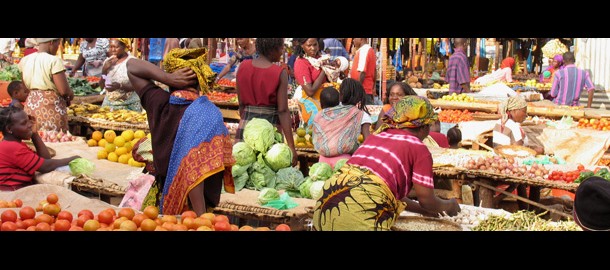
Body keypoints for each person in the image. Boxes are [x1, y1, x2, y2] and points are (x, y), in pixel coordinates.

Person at [312, 96, 461, 231]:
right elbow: (427, 199)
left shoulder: (375, 138)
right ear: (423, 127)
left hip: (325, 207)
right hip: (360, 213)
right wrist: (449, 205)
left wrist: (426, 212)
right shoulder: (418, 148)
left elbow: (383, 191)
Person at [126, 47, 235, 216]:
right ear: (200, 80)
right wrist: (200, 218)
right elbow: (194, 171)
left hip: (161, 200)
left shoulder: (158, 101)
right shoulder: (209, 113)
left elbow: (132, 66)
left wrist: (167, 78)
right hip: (193, 211)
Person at [234, 38, 297, 166]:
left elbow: (241, 105)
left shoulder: (243, 67)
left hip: (246, 124)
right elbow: (283, 111)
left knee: (243, 170)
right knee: (267, 172)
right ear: (273, 49)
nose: (282, 50)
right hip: (270, 127)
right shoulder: (279, 73)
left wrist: (249, 121)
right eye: (281, 47)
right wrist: (291, 146)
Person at [0, 107, 80, 191]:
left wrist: (34, 134)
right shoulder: (12, 147)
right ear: (9, 129)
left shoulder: (15, 144)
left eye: (28, 121)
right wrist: (72, 159)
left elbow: (45, 159)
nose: (30, 125)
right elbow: (45, 166)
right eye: (24, 123)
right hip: (10, 192)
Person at [19, 38, 75, 132]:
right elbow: (64, 91)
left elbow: (25, 87)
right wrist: (70, 95)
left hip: (31, 106)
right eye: (58, 44)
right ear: (51, 42)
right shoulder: (54, 61)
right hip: (51, 107)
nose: (58, 47)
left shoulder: (25, 60)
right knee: (53, 140)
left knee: (34, 139)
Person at [312, 79, 371, 167]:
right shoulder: (361, 114)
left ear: (341, 95)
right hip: (344, 161)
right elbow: (367, 141)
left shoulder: (331, 111)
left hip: (322, 160)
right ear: (360, 96)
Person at [293, 38, 328, 130]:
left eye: (315, 45)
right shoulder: (301, 62)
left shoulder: (318, 59)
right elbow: (310, 91)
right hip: (312, 109)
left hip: (325, 106)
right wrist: (324, 70)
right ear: (302, 46)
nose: (313, 48)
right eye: (309, 45)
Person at [99, 38, 142, 111]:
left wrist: (120, 86)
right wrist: (104, 70)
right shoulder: (107, 61)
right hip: (109, 105)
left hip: (129, 105)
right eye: (110, 47)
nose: (113, 50)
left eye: (116, 47)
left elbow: (138, 85)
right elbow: (102, 86)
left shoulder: (132, 62)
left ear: (124, 46)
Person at [349, 38, 376, 105]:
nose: (353, 40)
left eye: (354, 38)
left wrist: (357, 90)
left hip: (363, 90)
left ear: (361, 39)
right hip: (366, 90)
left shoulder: (364, 50)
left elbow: (362, 72)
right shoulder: (368, 50)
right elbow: (374, 71)